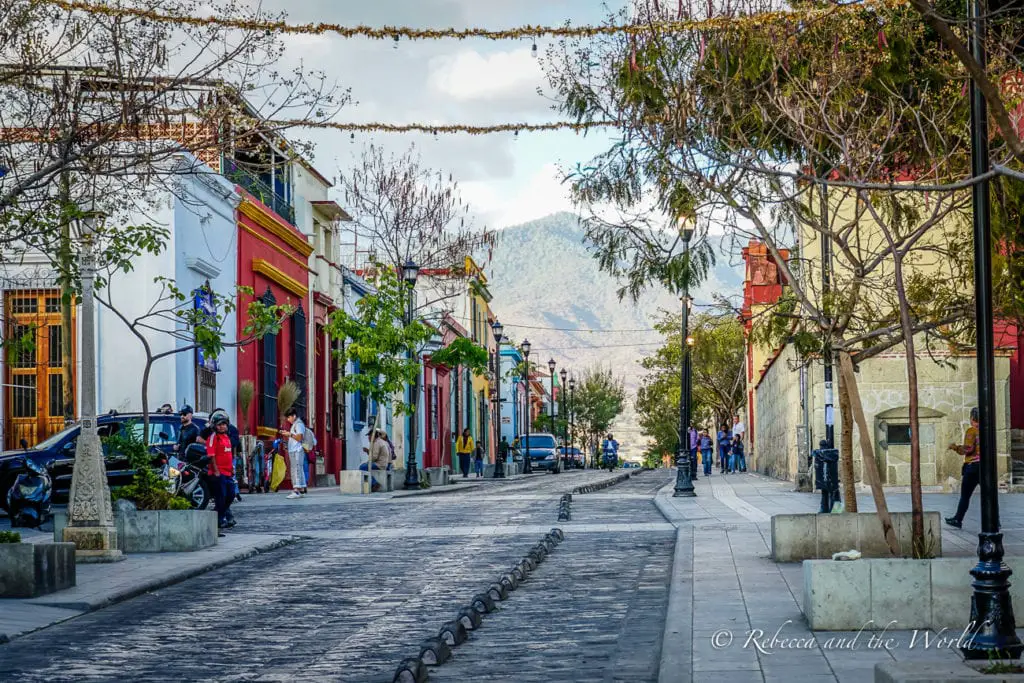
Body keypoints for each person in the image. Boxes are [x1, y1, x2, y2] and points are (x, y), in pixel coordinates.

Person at [946, 407, 981, 529]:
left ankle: (958, 519)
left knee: (965, 496)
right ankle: (995, 521)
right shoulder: (987, 430)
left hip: (972, 467)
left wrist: (955, 447)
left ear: (972, 418)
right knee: (988, 495)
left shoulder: (971, 431)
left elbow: (968, 449)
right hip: (985, 467)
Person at [205, 412, 235, 530]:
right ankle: (219, 520)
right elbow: (211, 455)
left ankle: (219, 513)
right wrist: (216, 471)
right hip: (219, 473)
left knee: (231, 495)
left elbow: (229, 454)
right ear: (214, 426)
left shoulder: (227, 437)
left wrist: (232, 468)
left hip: (228, 472)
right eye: (219, 425)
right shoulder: (213, 438)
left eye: (224, 424)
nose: (222, 427)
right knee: (221, 496)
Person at [279, 408, 308, 499]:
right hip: (294, 450)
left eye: (289, 417)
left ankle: (296, 490)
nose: (288, 420)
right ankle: (302, 488)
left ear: (294, 416)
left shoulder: (298, 424)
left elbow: (299, 438)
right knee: (298, 468)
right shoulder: (295, 424)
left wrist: (289, 434)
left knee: (296, 469)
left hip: (297, 450)